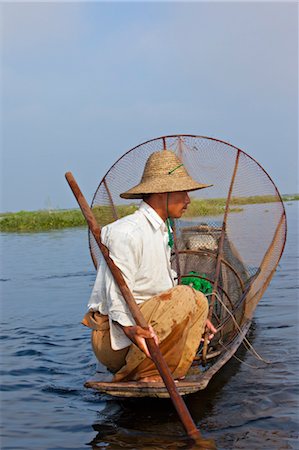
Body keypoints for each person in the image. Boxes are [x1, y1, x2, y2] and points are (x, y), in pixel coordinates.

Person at [82, 150, 216, 382]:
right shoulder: (127, 231)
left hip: (150, 327)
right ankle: (146, 372)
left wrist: (193, 313)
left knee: (197, 299)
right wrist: (128, 329)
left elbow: (163, 286)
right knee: (186, 295)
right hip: (119, 340)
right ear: (162, 192)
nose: (188, 200)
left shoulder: (162, 229)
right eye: (183, 192)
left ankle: (168, 370)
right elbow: (116, 293)